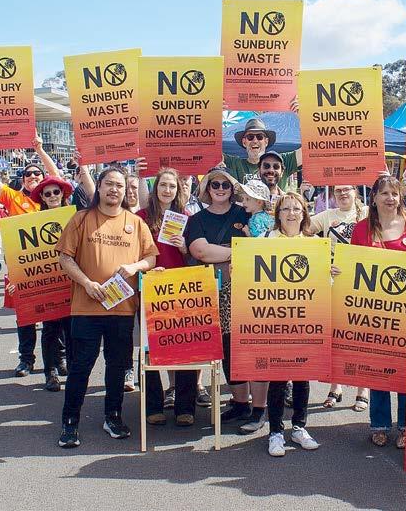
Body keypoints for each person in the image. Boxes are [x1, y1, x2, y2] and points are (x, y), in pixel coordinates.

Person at [55, 167, 158, 448]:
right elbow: (65, 258)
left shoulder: (136, 223)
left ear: (126, 192)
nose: (114, 189)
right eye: (109, 184)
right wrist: (86, 283)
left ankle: (113, 417)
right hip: (86, 308)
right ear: (98, 187)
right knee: (81, 366)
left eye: (120, 186)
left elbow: (151, 258)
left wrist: (135, 266)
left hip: (122, 309)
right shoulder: (81, 219)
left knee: (116, 366)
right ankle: (70, 422)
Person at [0, 135, 61, 378]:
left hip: (53, 268)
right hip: (23, 268)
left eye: (37, 173)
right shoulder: (14, 198)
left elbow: (56, 174)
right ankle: (26, 359)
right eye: (28, 174)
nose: (33, 176)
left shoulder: (51, 197)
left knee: (56, 315)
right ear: (22, 178)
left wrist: (39, 150)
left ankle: (58, 358)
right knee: (25, 315)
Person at [350, 175, 406, 448]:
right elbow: (353, 268)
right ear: (373, 197)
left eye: (394, 193)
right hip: (373, 312)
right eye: (384, 193)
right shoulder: (361, 229)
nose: (390, 198)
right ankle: (380, 424)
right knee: (379, 368)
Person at [184, 168, 253, 427]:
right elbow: (200, 251)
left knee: (246, 345)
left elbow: (259, 243)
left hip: (247, 288)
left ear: (232, 188)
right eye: (215, 184)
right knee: (226, 347)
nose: (221, 189)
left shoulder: (245, 213)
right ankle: (240, 403)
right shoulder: (197, 219)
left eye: (225, 184)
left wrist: (222, 251)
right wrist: (239, 250)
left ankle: (250, 402)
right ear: (208, 189)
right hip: (213, 290)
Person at [265, 192, 327, 457]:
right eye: (286, 209)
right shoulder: (265, 240)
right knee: (278, 378)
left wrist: (331, 273)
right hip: (274, 320)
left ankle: (299, 427)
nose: (291, 213)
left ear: (304, 214)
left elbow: (324, 283)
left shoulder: (315, 245)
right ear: (278, 214)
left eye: (296, 209)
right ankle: (275, 432)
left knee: (302, 376)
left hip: (305, 320)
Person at [136, 168, 199, 426]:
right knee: (149, 349)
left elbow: (195, 257)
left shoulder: (187, 218)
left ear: (178, 190)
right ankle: (153, 405)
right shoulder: (141, 217)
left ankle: (186, 407)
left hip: (180, 290)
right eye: (163, 185)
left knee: (185, 348)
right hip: (150, 288)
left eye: (172, 186)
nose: (167, 190)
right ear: (156, 188)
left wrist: (184, 248)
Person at [306, 184, 370, 411]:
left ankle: (363, 390)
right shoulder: (326, 216)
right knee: (336, 338)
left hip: (363, 284)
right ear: (333, 195)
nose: (343, 194)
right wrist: (320, 252)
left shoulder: (368, 213)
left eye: (347, 189)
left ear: (355, 191)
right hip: (334, 283)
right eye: (338, 190)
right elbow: (302, 230)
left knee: (361, 339)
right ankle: (336, 387)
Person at [21, 175, 76, 392]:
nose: (53, 196)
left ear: (62, 194)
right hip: (47, 285)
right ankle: (50, 372)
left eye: (56, 192)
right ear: (42, 198)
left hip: (72, 282)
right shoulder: (33, 221)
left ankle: (72, 369)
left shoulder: (74, 217)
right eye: (48, 193)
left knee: (72, 331)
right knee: (50, 330)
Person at [224, 118, 301, 190]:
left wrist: (301, 116)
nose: (255, 141)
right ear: (244, 142)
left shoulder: (280, 161)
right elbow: (215, 153)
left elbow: (307, 151)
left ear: (266, 141)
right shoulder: (234, 164)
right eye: (250, 137)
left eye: (259, 137)